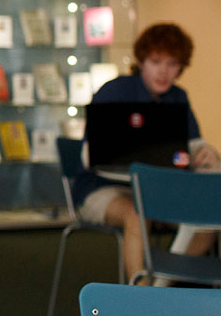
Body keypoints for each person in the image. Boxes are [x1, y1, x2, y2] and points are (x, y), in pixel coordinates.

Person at [73, 22, 220, 283]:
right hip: (103, 188)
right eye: (156, 61)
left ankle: (160, 288)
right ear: (141, 62)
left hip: (158, 190)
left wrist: (206, 152)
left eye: (172, 63)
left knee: (205, 220)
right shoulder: (114, 91)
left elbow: (193, 143)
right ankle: (138, 295)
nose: (164, 71)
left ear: (181, 67)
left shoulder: (179, 97)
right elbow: (87, 155)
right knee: (137, 212)